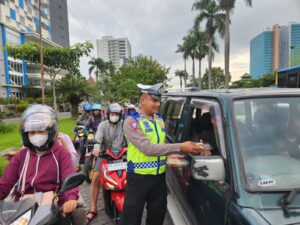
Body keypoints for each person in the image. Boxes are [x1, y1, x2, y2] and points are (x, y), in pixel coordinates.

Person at [119, 83, 203, 225]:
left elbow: (161, 145)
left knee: (157, 216)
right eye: (154, 100)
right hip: (138, 178)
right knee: (131, 218)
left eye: (159, 101)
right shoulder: (132, 121)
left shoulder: (159, 120)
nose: (157, 104)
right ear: (142, 99)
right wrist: (181, 146)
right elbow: (147, 148)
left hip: (159, 178)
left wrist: (168, 155)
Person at [0, 104, 83, 224]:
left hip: (52, 205)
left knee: (79, 213)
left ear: (50, 132)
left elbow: (69, 176)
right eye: (32, 132)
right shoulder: (21, 155)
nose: (36, 135)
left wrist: (70, 198)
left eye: (40, 131)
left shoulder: (61, 154)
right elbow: (5, 183)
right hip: (22, 207)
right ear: (26, 135)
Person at [86, 103, 126, 224]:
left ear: (120, 116)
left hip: (122, 156)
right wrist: (97, 148)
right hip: (105, 155)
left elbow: (130, 139)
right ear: (108, 114)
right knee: (96, 179)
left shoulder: (125, 125)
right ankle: (93, 207)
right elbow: (98, 138)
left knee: (131, 177)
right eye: (112, 114)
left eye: (117, 114)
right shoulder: (103, 125)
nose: (114, 116)